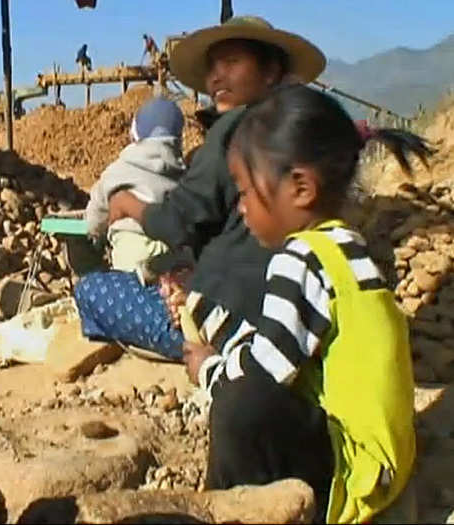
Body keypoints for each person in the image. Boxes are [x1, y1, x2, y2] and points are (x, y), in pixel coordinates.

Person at [176, 85, 434, 523]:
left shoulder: (302, 258)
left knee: (240, 405)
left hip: (352, 473)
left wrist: (207, 371)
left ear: (299, 188)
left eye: (244, 191)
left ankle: (223, 511)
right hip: (388, 464)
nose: (240, 209)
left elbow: (263, 374)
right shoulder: (347, 249)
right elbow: (281, 347)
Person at [75, 16, 326, 361]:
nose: (216, 77)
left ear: (269, 71)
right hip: (285, 306)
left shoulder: (236, 131)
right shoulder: (293, 129)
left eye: (232, 62)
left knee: (92, 290)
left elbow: (177, 222)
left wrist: (128, 204)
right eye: (213, 66)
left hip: (237, 311)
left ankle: (199, 352)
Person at [75, 97, 188, 360]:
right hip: (180, 276)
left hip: (138, 278)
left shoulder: (116, 173)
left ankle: (165, 339)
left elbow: (92, 225)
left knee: (88, 288)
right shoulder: (188, 175)